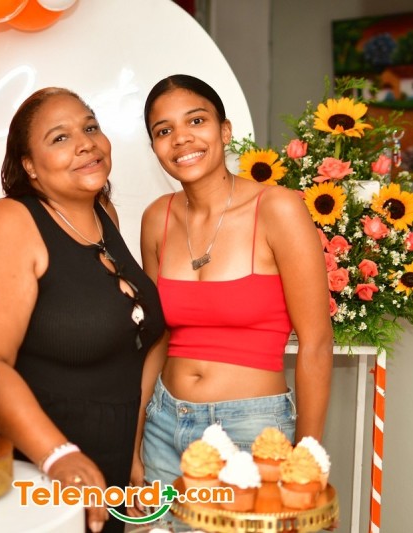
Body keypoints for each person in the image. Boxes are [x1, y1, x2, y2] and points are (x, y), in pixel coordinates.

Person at [0, 87, 166, 533]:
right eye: (60, 137)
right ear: (29, 165)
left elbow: (139, 343)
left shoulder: (103, 215)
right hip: (40, 474)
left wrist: (133, 448)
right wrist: (57, 455)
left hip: (109, 466)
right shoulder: (6, 224)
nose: (85, 143)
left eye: (90, 127)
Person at [131, 74, 333, 492]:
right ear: (154, 148)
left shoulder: (277, 209)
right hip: (163, 425)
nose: (181, 138)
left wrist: (307, 458)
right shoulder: (157, 218)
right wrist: (132, 442)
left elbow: (316, 341)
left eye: (196, 121)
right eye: (164, 131)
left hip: (252, 432)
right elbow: (155, 338)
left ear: (225, 131)